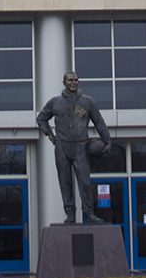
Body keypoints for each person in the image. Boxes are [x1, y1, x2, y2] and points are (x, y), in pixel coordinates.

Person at [36, 71, 111, 224]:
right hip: (62, 147)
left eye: (76, 80)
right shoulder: (55, 102)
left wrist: (107, 140)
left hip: (81, 147)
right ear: (64, 82)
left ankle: (89, 213)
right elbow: (41, 118)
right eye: (70, 80)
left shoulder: (87, 102)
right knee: (65, 182)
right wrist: (50, 135)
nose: (73, 82)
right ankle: (70, 214)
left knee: (85, 181)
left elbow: (99, 121)